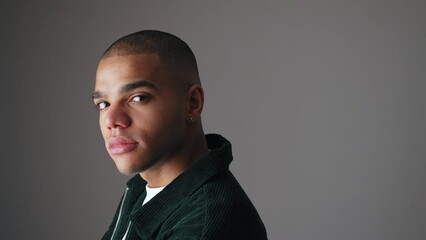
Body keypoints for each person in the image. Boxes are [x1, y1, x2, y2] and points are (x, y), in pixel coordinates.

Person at [93, 30, 267, 240]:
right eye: (103, 104)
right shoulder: (143, 186)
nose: (111, 120)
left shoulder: (204, 224)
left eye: (138, 98)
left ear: (192, 103)